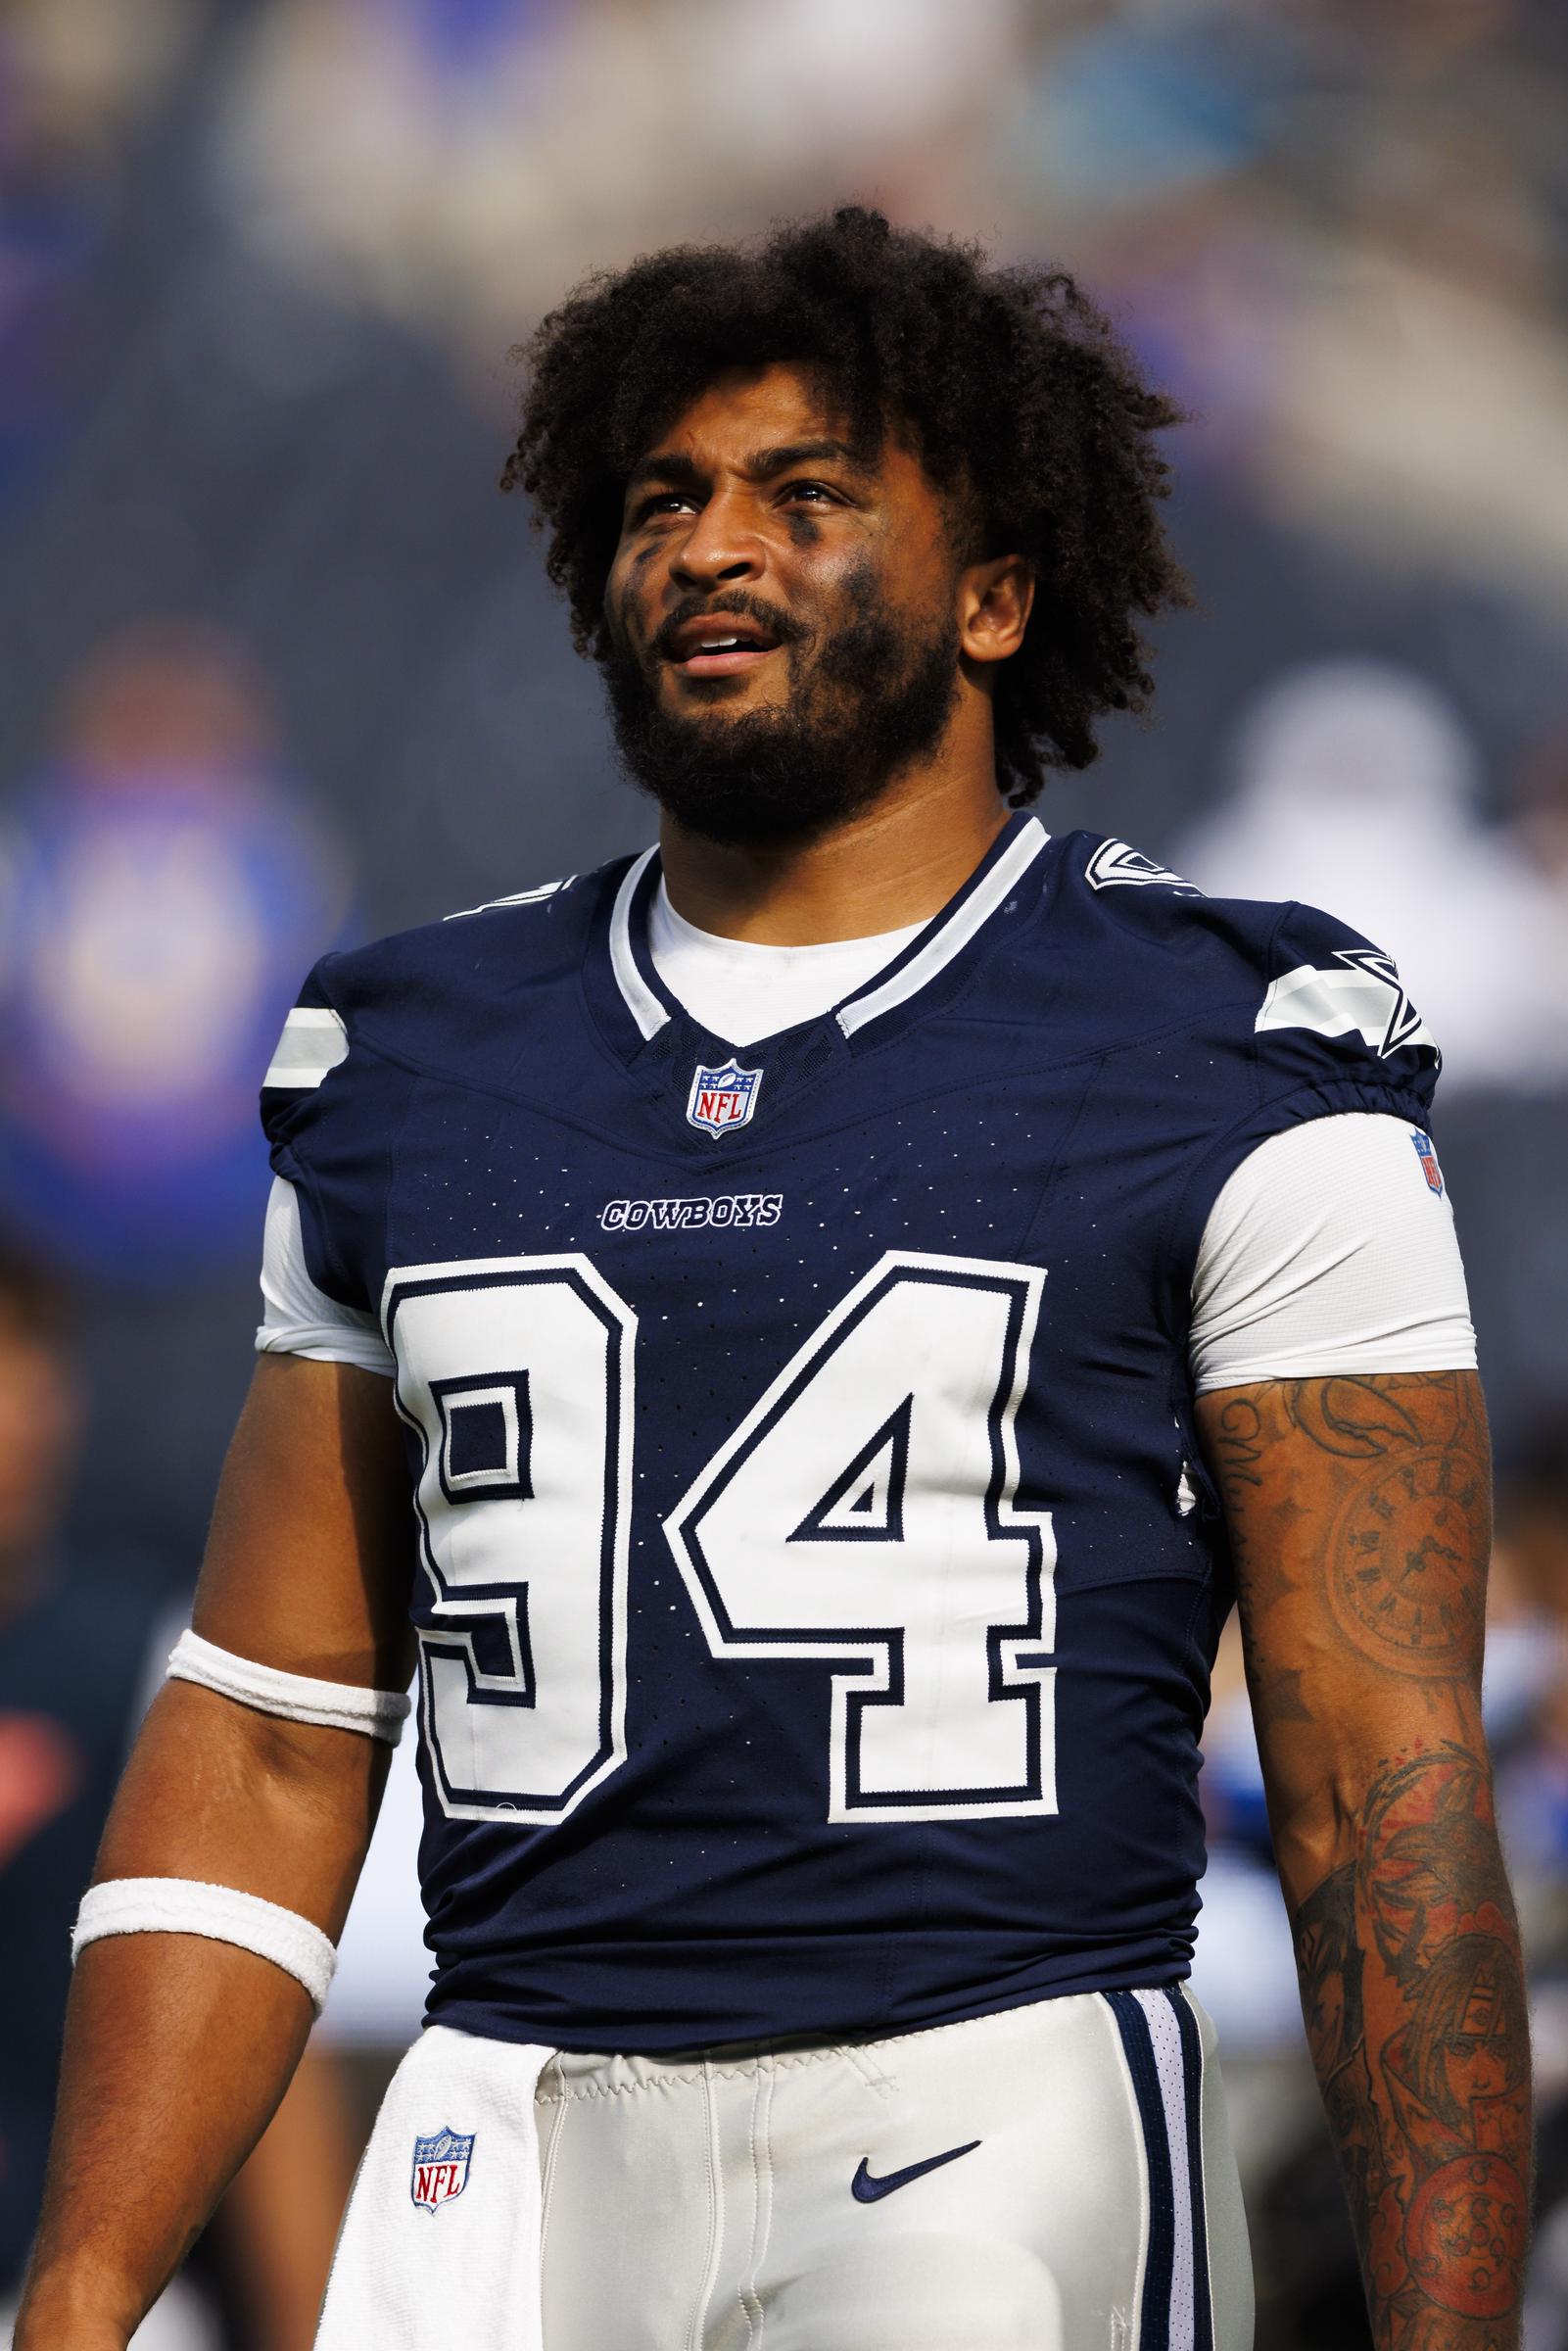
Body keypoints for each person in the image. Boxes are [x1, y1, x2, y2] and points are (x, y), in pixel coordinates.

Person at [17, 208, 1527, 2351]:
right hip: (504, 2128)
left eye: (804, 496)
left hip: (986, 2109)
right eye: (662, 501)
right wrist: (79, 2296)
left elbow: (1381, 1789)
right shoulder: (419, 1057)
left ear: (995, 591)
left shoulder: (1222, 1045)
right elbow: (272, 1731)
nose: (711, 545)